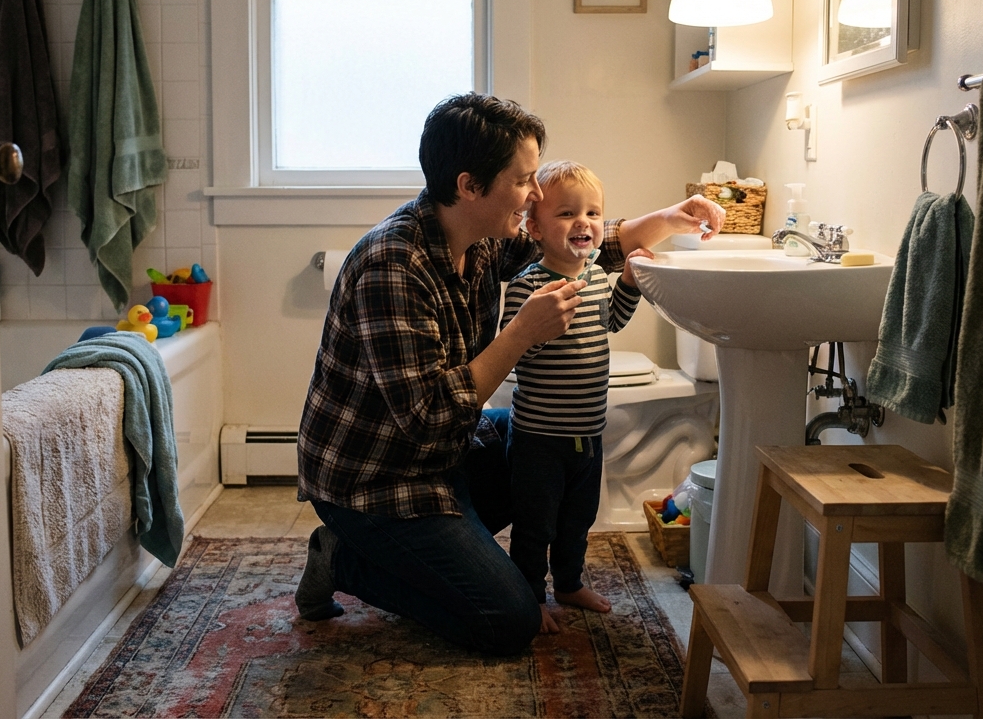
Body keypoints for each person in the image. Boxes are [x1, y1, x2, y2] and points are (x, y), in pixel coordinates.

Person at [294, 92, 724, 655]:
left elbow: (581, 240)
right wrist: (521, 333)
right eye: (525, 181)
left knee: (541, 451)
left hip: (444, 450)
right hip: (379, 479)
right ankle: (343, 557)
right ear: (471, 185)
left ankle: (446, 536)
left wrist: (669, 218)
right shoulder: (391, 265)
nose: (537, 195)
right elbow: (428, 418)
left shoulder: (480, 236)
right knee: (505, 619)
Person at [498, 161, 651, 634]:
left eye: (592, 213)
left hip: (588, 433)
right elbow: (516, 348)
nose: (582, 222)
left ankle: (567, 582)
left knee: (576, 520)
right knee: (534, 525)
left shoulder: (596, 278)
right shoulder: (529, 285)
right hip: (539, 438)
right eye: (566, 213)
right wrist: (538, 327)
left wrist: (626, 283)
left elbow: (612, 322)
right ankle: (530, 595)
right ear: (535, 227)